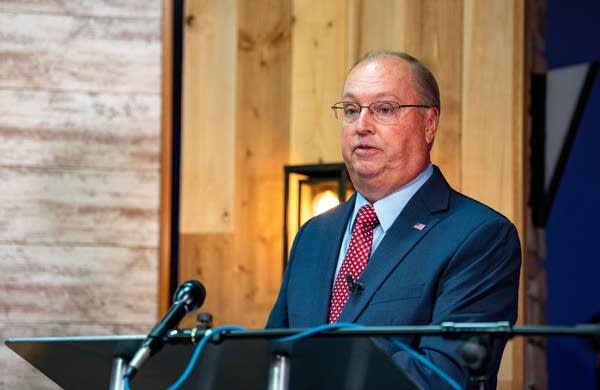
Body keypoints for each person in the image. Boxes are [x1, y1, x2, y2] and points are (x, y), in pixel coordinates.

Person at [266, 51, 521, 389]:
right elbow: (271, 359)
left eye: (384, 110)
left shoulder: (480, 236)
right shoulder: (313, 235)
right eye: (352, 110)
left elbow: (445, 378)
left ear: (429, 124)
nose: (362, 126)